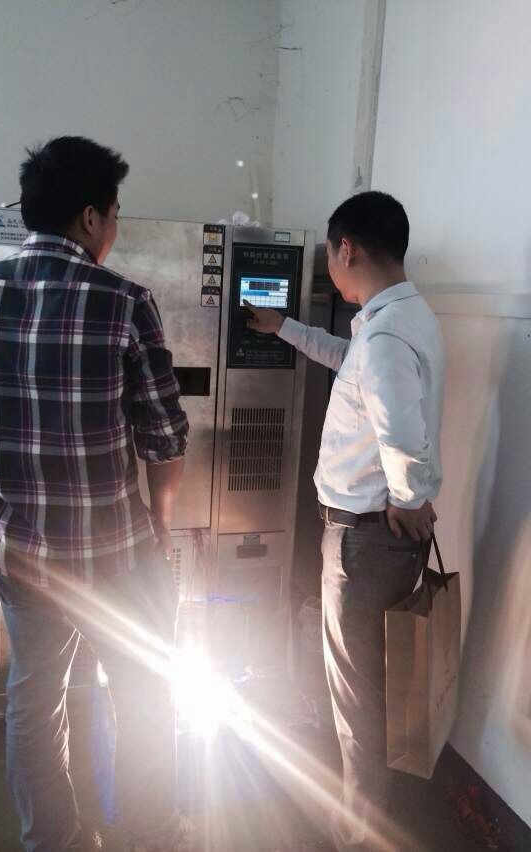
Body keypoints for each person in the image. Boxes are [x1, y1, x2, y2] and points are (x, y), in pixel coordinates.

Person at [0, 136, 192, 852]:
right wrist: (161, 523)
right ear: (91, 217)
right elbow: (164, 439)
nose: (113, 228)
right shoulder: (123, 302)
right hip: (114, 553)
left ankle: (52, 842)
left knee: (34, 698)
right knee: (142, 693)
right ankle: (150, 836)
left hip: (17, 548)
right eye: (114, 214)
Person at [245, 191, 444, 850]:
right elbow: (351, 365)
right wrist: (284, 329)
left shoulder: (385, 335)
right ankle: (374, 816)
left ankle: (359, 834)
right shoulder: (402, 318)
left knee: (358, 697)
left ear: (347, 249)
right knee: (372, 683)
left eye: (329, 253)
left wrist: (409, 498)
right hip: (375, 538)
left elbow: (402, 435)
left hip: (363, 542)